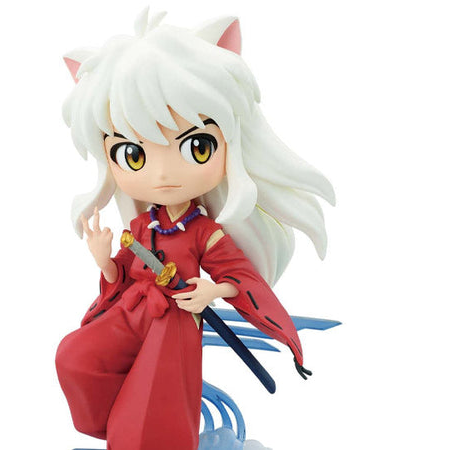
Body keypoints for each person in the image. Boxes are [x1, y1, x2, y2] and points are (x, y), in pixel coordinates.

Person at [56, 8, 335, 450]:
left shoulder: (204, 231)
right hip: (132, 311)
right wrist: (104, 260)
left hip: (173, 320)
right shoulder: (141, 225)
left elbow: (238, 274)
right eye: (133, 154)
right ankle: (114, 425)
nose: (163, 173)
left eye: (197, 146)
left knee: (150, 405)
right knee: (75, 357)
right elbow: (120, 276)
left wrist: (212, 291)